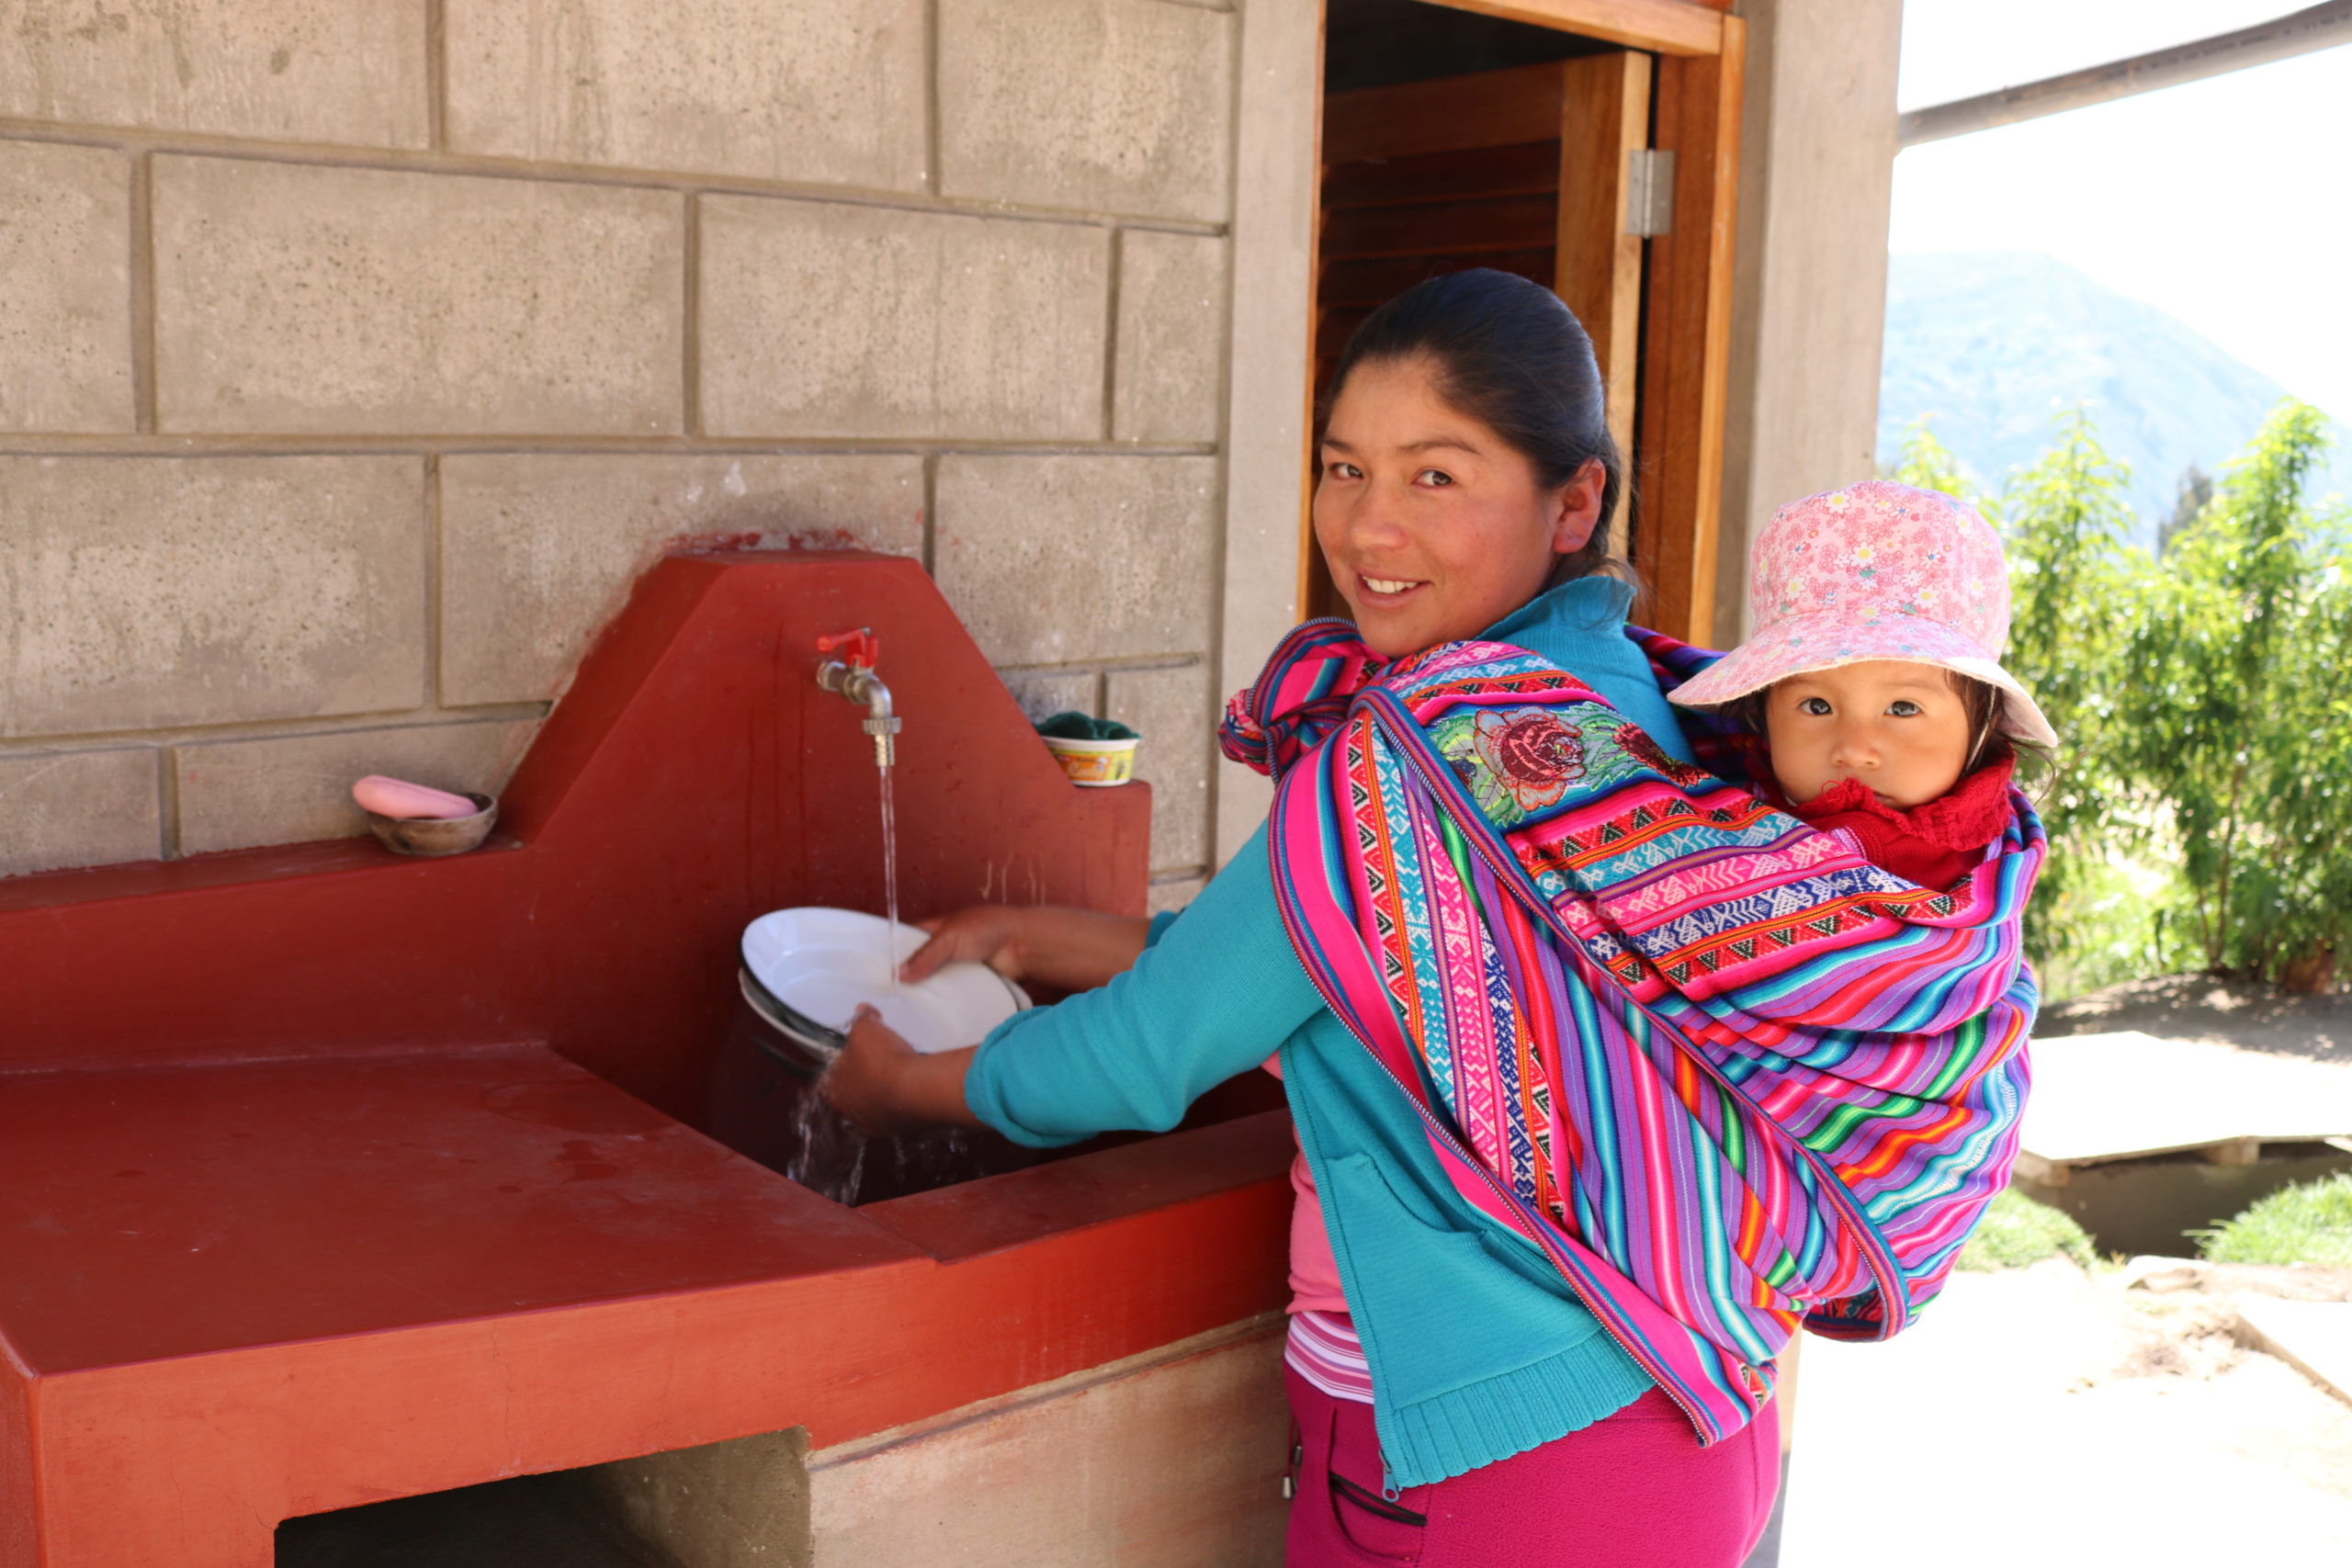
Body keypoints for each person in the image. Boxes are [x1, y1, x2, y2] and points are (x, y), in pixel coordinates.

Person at [824, 271, 2042, 1567]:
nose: (1369, 526)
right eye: (1344, 467)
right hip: (1697, 1415)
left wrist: (910, 1083)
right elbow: (1343, 955)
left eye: (1436, 476)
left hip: (1496, 1472)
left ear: (1575, 501)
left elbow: (1149, 1051)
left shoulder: (1419, 755)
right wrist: (1039, 938)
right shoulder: (1639, 706)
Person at [1667, 479, 2058, 891]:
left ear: (1981, 723)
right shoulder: (1718, 831)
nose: (1853, 750)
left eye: (1903, 708)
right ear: (1762, 711)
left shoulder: (1996, 863)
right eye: (1817, 706)